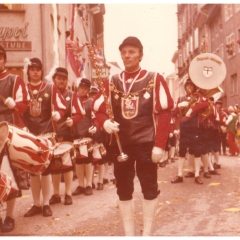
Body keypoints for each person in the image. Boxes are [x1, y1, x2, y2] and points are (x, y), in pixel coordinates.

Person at [92, 36, 174, 236]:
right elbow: (97, 109)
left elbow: (165, 112)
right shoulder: (111, 81)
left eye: (132, 52)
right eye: (124, 52)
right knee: (123, 188)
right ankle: (129, 234)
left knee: (149, 187)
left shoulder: (154, 79)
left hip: (147, 143)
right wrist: (105, 123)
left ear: (140, 55)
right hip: (122, 145)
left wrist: (160, 145)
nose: (127, 56)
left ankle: (147, 234)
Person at [22, 58, 67, 217]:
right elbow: (19, 110)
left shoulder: (50, 88)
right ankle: (36, 204)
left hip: (46, 134)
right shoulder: (23, 88)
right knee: (33, 170)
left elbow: (62, 108)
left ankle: (46, 204)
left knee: (46, 169)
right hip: (29, 135)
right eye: (32, 69)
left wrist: (57, 114)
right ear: (28, 71)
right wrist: (22, 127)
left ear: (42, 71)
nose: (35, 72)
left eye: (38, 69)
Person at [0, 45, 30, 232]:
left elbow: (25, 104)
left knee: (8, 175)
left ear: (4, 59)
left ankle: (9, 216)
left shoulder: (15, 80)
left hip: (8, 131)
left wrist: (15, 104)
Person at [49, 67, 85, 206]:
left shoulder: (72, 95)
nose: (62, 81)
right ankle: (56, 194)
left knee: (67, 165)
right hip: (51, 134)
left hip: (66, 134)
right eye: (59, 78)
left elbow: (80, 112)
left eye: (64, 79)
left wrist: (73, 120)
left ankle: (68, 194)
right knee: (54, 166)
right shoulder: (49, 93)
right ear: (54, 80)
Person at [171, 78, 209, 185]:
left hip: (195, 128)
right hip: (184, 128)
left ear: (194, 87)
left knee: (197, 151)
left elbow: (205, 104)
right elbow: (173, 114)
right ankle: (179, 175)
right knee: (182, 152)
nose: (189, 87)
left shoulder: (198, 97)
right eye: (187, 85)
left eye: (191, 85)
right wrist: (178, 107)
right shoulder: (181, 98)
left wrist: (193, 109)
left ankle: (197, 175)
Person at [72, 78, 95, 196]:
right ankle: (80, 185)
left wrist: (94, 127)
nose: (82, 90)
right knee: (79, 161)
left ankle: (89, 184)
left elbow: (94, 117)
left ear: (88, 90)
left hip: (87, 134)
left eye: (85, 89)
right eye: (81, 88)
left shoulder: (91, 102)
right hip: (76, 134)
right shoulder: (73, 100)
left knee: (88, 160)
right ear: (78, 88)